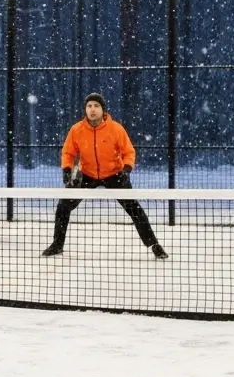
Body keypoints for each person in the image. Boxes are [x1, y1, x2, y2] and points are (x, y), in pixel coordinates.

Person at [43, 92, 168, 259]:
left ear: (103, 110)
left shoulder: (116, 129)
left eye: (96, 106)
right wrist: (66, 169)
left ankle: (154, 244)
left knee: (134, 209)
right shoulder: (76, 130)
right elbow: (68, 152)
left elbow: (128, 152)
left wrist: (126, 170)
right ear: (85, 110)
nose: (92, 109)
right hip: (87, 175)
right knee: (63, 207)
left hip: (115, 174)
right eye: (89, 106)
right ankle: (57, 245)